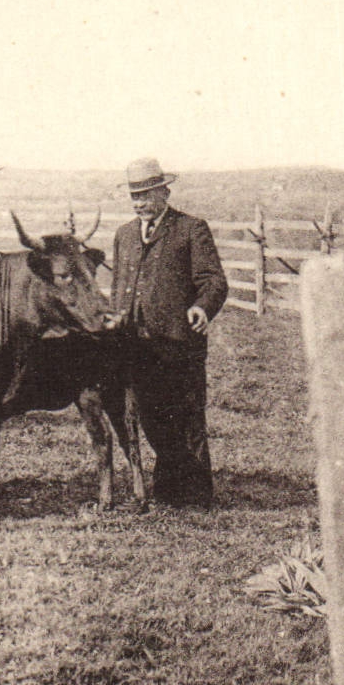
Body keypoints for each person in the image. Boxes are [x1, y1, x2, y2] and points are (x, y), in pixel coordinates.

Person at [110, 157, 228, 507]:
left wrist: (201, 307)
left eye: (146, 194)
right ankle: (168, 486)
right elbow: (120, 286)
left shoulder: (191, 229)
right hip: (137, 347)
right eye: (134, 196)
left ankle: (194, 496)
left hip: (179, 345)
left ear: (164, 191)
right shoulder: (125, 235)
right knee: (151, 417)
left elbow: (214, 280)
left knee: (187, 416)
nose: (139, 203)